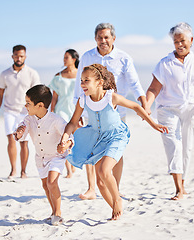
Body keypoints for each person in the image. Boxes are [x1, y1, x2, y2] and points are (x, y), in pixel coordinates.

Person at [58, 64, 168, 220]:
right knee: (100, 183)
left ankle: (117, 200)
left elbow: (136, 106)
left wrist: (154, 123)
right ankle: (115, 211)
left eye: (86, 80)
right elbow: (72, 122)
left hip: (116, 136)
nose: (82, 84)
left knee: (104, 171)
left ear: (99, 82)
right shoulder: (83, 100)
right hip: (97, 139)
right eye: (81, 80)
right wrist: (65, 136)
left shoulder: (111, 97)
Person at [73, 23, 148, 200]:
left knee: (115, 150)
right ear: (95, 39)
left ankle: (116, 186)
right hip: (91, 110)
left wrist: (144, 103)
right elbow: (79, 83)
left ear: (113, 38)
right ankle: (91, 188)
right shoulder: (87, 56)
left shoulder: (123, 58)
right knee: (91, 147)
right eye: (99, 37)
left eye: (106, 37)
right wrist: (78, 111)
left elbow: (134, 83)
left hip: (116, 112)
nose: (103, 40)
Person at [146, 22, 194, 200]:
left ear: (191, 40)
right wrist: (146, 106)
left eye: (182, 41)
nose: (179, 45)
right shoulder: (165, 63)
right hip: (168, 110)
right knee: (174, 146)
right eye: (176, 42)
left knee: (187, 148)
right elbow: (154, 89)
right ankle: (178, 189)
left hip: (191, 110)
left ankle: (182, 183)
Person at [14, 85, 74, 226]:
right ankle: (53, 211)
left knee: (52, 182)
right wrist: (19, 133)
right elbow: (21, 133)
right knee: (45, 185)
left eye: (28, 103)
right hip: (40, 157)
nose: (25, 106)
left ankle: (58, 213)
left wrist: (66, 144)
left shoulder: (56, 120)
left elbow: (69, 136)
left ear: (40, 105)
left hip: (56, 157)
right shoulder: (28, 119)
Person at [0, 45, 41, 179]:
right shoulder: (5, 74)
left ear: (25, 56)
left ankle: (23, 171)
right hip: (10, 110)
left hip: (25, 112)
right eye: (16, 56)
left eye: (21, 56)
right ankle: (13, 170)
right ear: (12, 56)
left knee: (24, 142)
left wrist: (37, 113)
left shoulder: (32, 73)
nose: (19, 58)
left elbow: (37, 94)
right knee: (11, 138)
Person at [49, 49, 80, 178]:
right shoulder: (58, 76)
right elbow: (54, 96)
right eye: (64, 57)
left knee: (76, 137)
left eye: (67, 57)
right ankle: (68, 170)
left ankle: (73, 163)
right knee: (64, 136)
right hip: (61, 108)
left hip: (76, 108)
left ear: (74, 59)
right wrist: (51, 110)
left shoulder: (81, 74)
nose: (64, 60)